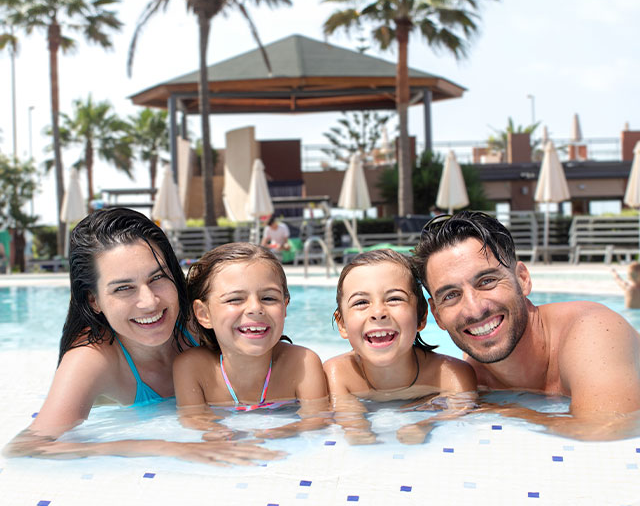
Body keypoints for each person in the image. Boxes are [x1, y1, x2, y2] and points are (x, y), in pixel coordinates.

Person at [4, 208, 281, 465]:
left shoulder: (200, 322)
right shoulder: (92, 358)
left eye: (157, 278)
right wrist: (168, 447)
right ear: (93, 300)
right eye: (123, 288)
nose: (149, 302)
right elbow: (28, 446)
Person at [414, 211, 640, 440]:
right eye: (451, 295)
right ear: (437, 315)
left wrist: (502, 411)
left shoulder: (594, 331)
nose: (474, 310)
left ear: (522, 279)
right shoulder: (474, 375)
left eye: (487, 281)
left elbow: (609, 427)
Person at [173, 242, 330, 439]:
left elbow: (317, 419)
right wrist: (225, 438)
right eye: (235, 299)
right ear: (204, 314)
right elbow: (193, 420)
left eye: (269, 298)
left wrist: (281, 432)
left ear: (285, 307)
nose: (255, 308)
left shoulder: (302, 363)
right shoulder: (192, 368)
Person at [323, 249, 477, 445]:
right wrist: (357, 428)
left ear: (421, 316)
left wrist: (426, 424)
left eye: (394, 299)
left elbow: (460, 415)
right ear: (342, 324)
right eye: (361, 302)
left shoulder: (451, 375)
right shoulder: (338, 375)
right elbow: (351, 425)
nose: (378, 312)